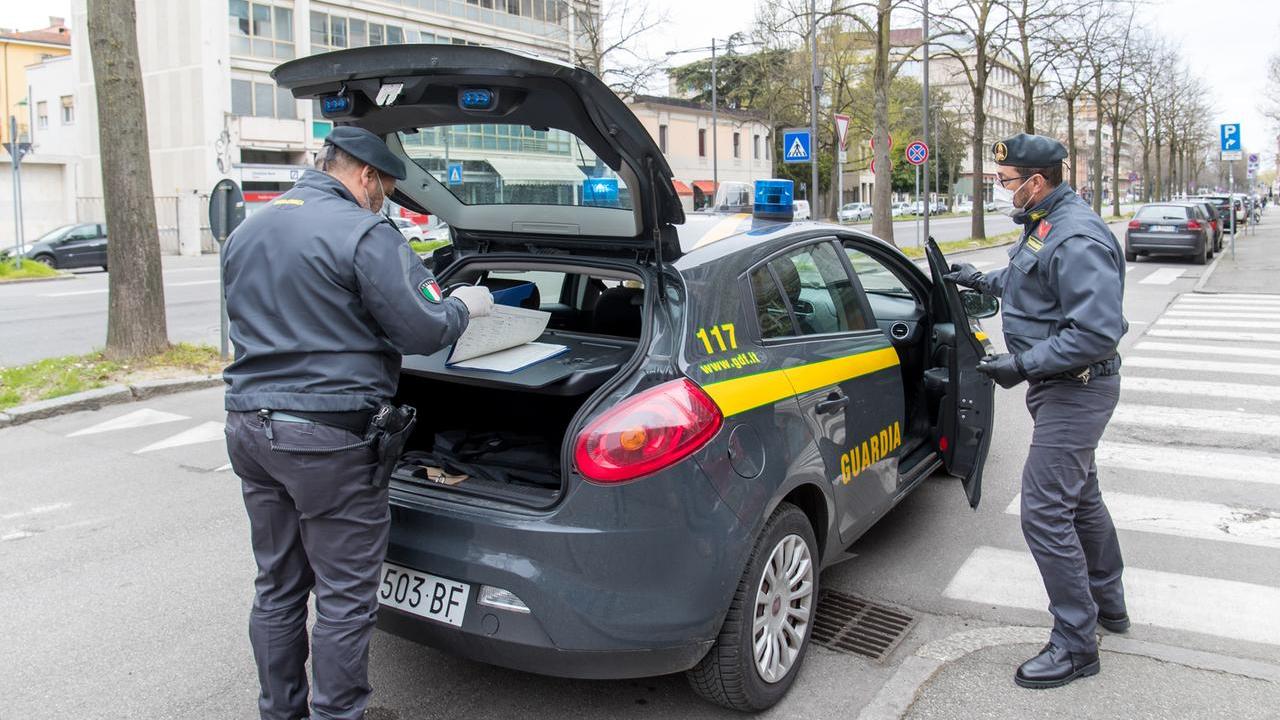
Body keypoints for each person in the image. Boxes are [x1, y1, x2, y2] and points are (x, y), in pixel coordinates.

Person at [222, 125, 493, 720]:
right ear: (366, 175)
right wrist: (462, 307)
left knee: (277, 587)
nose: (385, 201)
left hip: (249, 427)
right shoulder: (363, 232)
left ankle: (282, 712)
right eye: (386, 188)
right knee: (345, 599)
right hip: (326, 440)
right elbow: (422, 329)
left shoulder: (251, 227)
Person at [945, 133, 1129, 690]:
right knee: (1081, 498)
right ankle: (1109, 605)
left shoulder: (1075, 236)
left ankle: (1076, 645)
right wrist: (981, 280)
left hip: (1076, 388)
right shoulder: (1046, 224)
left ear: (1035, 181)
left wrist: (1021, 365)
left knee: (1045, 512)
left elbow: (1097, 331)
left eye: (1006, 182)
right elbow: (1031, 282)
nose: (1003, 190)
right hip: (1062, 387)